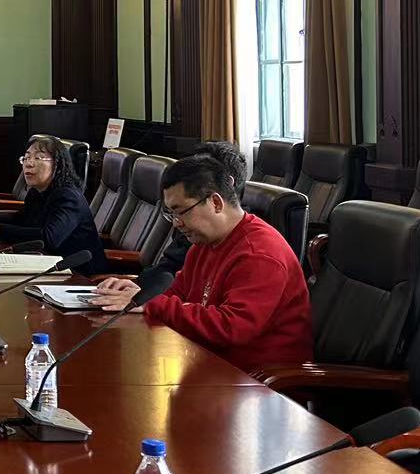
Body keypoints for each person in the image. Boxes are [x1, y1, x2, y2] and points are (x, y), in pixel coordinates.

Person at [89, 152, 312, 372]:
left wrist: (152, 305)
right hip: (207, 360)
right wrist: (139, 295)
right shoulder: (203, 243)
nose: (176, 223)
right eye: (171, 214)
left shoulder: (259, 254)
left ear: (215, 203)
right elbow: (177, 294)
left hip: (256, 379)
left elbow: (232, 328)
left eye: (181, 212)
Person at [0, 136, 107, 270]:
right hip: (45, 261)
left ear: (57, 164)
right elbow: (22, 218)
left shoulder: (69, 197)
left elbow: (50, 239)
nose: (29, 164)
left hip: (77, 271)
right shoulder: (37, 191)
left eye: (38, 158)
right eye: (26, 158)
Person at [145, 140, 248, 280]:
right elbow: (173, 276)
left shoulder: (252, 251)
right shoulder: (200, 240)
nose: (176, 223)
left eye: (199, 171)